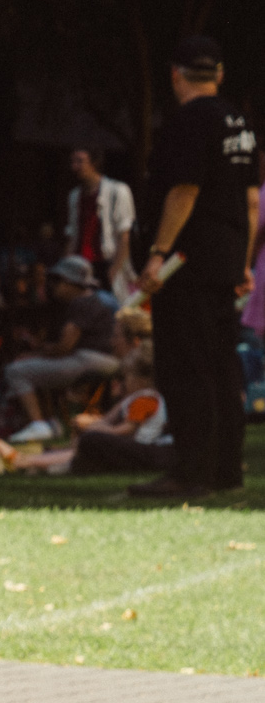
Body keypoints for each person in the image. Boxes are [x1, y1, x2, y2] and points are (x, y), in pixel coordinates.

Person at [133, 34, 259, 496]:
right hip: (225, 260)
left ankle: (191, 470)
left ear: (175, 75)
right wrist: (243, 262)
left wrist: (158, 254)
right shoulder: (240, 122)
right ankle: (226, 469)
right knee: (222, 365)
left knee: (186, 366)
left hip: (188, 263)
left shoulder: (188, 121)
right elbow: (250, 202)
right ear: (220, 75)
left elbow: (184, 190)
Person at [0, 348, 167, 476]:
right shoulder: (139, 398)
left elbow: (127, 430)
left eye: (127, 377)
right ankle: (20, 460)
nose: (123, 383)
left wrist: (98, 431)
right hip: (128, 445)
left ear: (143, 379)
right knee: (84, 445)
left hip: (134, 446)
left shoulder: (145, 399)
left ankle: (21, 461)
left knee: (88, 445)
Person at [0, 255, 119, 442]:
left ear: (71, 282)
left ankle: (38, 424)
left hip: (89, 359)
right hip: (105, 359)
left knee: (15, 371)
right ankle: (52, 424)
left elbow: (64, 347)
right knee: (40, 371)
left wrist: (35, 353)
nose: (52, 285)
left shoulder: (81, 302)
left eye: (57, 280)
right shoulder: (96, 300)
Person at [64, 148, 137, 302]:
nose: (74, 167)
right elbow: (72, 235)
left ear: (94, 163)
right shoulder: (74, 196)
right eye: (72, 162)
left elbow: (124, 236)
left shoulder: (117, 191)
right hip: (82, 267)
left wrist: (114, 271)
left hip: (106, 264)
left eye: (80, 161)